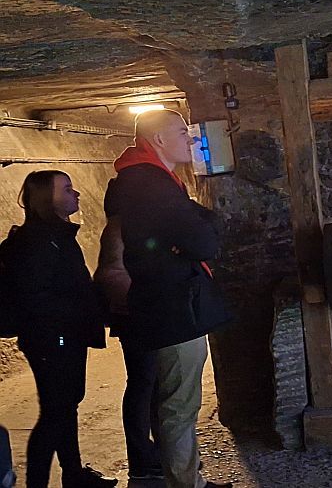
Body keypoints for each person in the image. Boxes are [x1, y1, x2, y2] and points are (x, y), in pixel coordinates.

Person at [103, 109, 232, 488]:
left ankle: (188, 477)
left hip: (166, 303)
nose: (190, 140)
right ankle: (185, 483)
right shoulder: (151, 184)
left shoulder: (146, 181)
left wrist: (189, 238)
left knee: (173, 397)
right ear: (158, 139)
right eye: (181, 132)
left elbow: (202, 227)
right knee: (179, 403)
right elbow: (205, 242)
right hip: (173, 308)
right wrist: (190, 241)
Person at [0, 170, 117, 488]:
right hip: (53, 339)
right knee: (55, 412)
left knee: (65, 406)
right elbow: (37, 298)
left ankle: (73, 473)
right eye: (66, 189)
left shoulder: (55, 236)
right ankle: (37, 482)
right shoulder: (36, 243)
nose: (75, 193)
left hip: (63, 335)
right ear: (46, 199)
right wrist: (74, 317)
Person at [95, 212, 162, 481]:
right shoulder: (122, 225)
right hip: (136, 316)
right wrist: (137, 303)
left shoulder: (133, 222)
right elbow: (110, 272)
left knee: (153, 384)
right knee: (143, 383)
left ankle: (159, 452)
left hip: (145, 314)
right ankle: (142, 458)